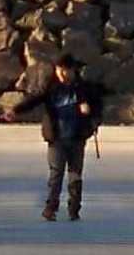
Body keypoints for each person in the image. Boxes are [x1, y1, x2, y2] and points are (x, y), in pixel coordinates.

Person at [38, 57, 103, 222]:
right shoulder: (51, 88)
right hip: (56, 139)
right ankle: (50, 208)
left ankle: (74, 208)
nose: (61, 73)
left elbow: (98, 109)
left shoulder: (84, 89)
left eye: (64, 70)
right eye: (58, 69)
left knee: (75, 175)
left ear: (72, 70)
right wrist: (15, 110)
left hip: (76, 138)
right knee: (56, 174)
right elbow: (34, 100)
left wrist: (90, 116)